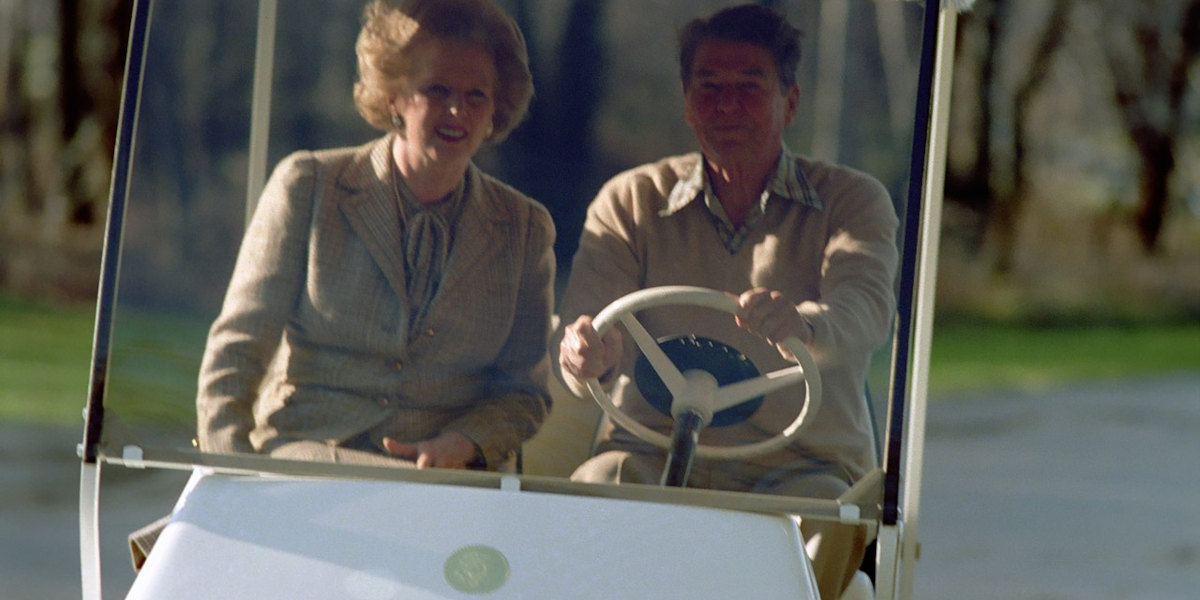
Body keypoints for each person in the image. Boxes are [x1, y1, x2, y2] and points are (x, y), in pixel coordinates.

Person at [555, 4, 898, 598]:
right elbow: (587, 322)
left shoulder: (851, 201)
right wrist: (590, 351)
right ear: (687, 103)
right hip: (653, 456)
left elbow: (865, 308)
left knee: (822, 524)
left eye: (749, 87)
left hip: (798, 467)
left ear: (789, 103)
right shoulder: (630, 202)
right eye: (709, 87)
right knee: (591, 492)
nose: (727, 106)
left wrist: (804, 325)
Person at [193, 0, 554, 471]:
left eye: (475, 96)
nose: (455, 111)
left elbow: (524, 393)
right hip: (306, 458)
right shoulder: (309, 185)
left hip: (444, 480)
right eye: (437, 89)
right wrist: (231, 472)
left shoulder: (523, 229)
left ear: (495, 110)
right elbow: (237, 349)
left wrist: (464, 442)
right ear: (394, 97)